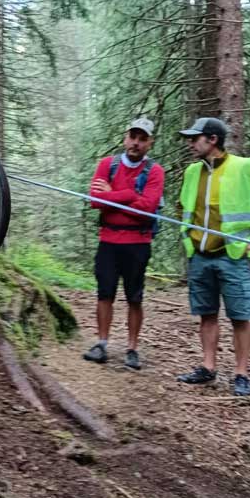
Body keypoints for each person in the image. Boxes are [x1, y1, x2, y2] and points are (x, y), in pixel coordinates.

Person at [176, 117, 250, 397]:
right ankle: (207, 367)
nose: (190, 143)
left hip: (232, 257)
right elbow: (182, 206)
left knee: (240, 317)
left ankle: (241, 374)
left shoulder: (244, 166)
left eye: (195, 138)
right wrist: (188, 234)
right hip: (199, 257)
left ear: (213, 139)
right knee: (207, 315)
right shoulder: (192, 172)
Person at [83, 118, 165, 370]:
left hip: (138, 242)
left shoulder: (154, 171)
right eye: (133, 137)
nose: (136, 143)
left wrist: (113, 195)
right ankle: (101, 343)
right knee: (104, 293)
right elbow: (95, 200)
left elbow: (147, 210)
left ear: (150, 143)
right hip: (108, 240)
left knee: (134, 297)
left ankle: (132, 348)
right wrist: (130, 195)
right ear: (125, 138)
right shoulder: (107, 164)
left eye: (142, 139)